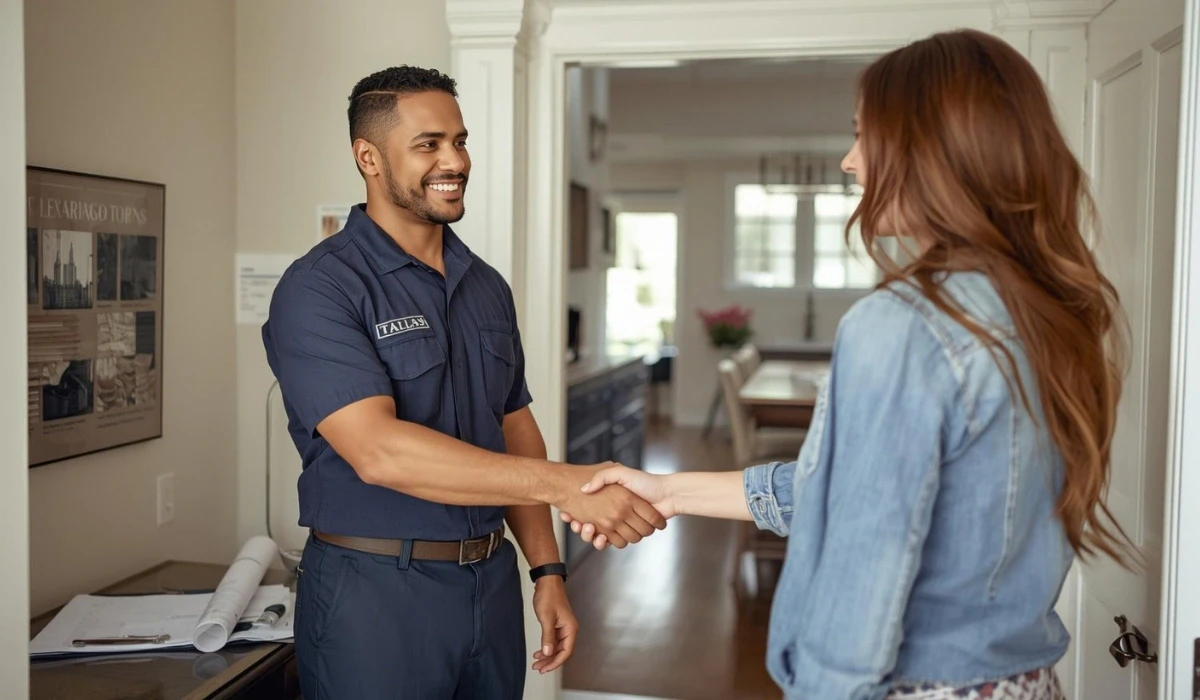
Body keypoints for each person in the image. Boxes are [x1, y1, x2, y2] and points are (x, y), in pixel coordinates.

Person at [563, 29, 1129, 700]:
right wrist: (668, 491)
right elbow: (844, 492)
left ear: (931, 150)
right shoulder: (1049, 310)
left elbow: (869, 564)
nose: (849, 161)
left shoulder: (904, 325)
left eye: (865, 135)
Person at [262, 66, 666, 700]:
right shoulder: (320, 288)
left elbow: (514, 425)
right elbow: (379, 450)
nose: (454, 160)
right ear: (368, 157)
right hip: (376, 592)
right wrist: (569, 486)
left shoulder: (486, 286)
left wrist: (547, 570)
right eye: (429, 144)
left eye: (460, 140)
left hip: (490, 583)